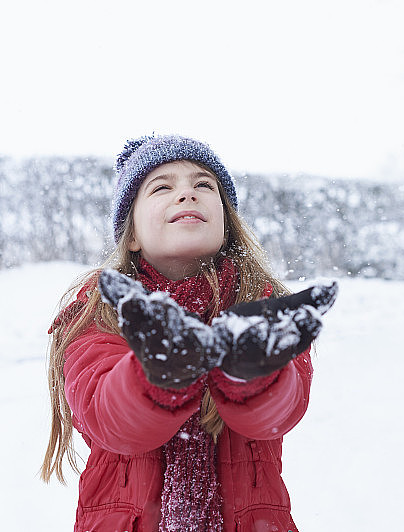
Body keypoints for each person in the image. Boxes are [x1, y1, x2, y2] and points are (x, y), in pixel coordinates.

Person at [40, 134, 337, 532]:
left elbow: (278, 414)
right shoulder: (100, 313)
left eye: (203, 185)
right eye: (162, 187)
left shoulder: (263, 314)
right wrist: (161, 367)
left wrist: (249, 365)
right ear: (131, 235)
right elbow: (110, 418)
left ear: (227, 223)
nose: (187, 194)